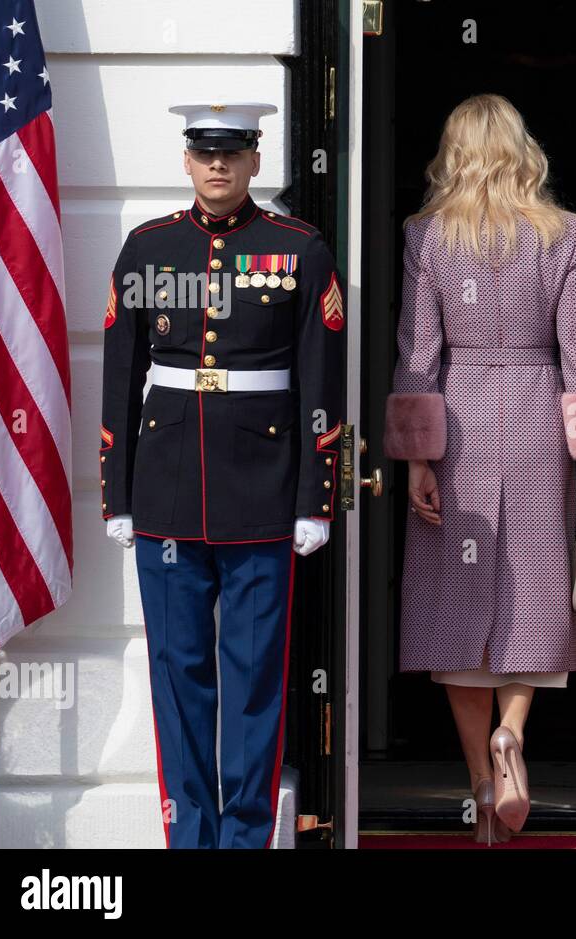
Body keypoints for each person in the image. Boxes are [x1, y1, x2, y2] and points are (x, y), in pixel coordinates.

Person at [100, 102, 345, 847]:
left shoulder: (298, 250)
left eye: (232, 153)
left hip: (262, 489)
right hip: (167, 488)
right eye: (204, 152)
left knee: (251, 680)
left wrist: (317, 496)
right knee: (178, 675)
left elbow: (320, 381)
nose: (217, 165)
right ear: (186, 160)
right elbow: (121, 373)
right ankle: (189, 835)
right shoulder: (149, 250)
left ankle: (243, 837)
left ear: (254, 161)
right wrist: (118, 488)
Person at [382, 94, 576, 844]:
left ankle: (483, 791)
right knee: (532, 588)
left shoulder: (426, 234)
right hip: (537, 413)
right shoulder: (564, 234)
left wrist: (418, 454)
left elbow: (417, 351)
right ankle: (512, 731)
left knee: (454, 604)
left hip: (456, 417)